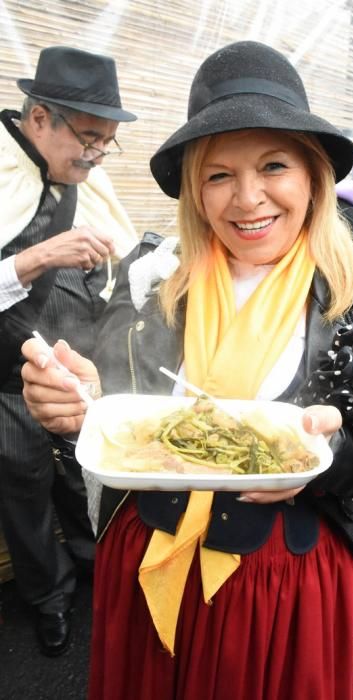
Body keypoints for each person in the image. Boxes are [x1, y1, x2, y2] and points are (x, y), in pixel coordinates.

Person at [21, 41, 353, 700]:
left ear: (312, 175)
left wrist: (327, 456)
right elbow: (127, 409)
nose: (247, 198)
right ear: (195, 190)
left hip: (286, 577)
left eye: (272, 165)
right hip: (148, 552)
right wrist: (78, 402)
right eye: (218, 175)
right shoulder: (152, 280)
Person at [0, 45, 138, 656]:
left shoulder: (81, 176)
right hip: (7, 371)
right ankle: (48, 599)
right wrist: (35, 258)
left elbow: (125, 252)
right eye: (88, 136)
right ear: (38, 120)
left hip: (74, 360)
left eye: (107, 140)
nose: (96, 152)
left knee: (84, 472)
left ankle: (95, 568)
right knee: (23, 484)